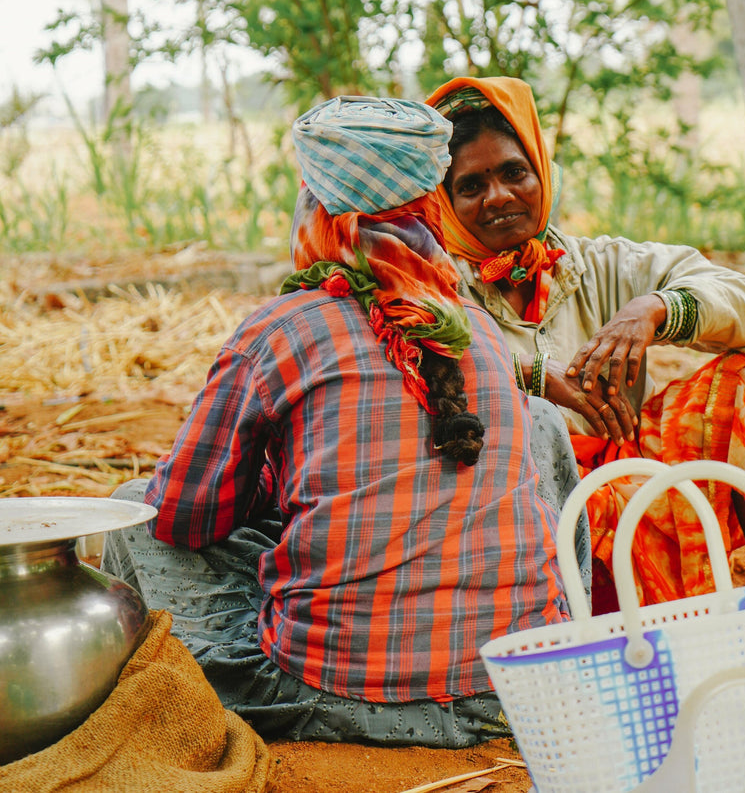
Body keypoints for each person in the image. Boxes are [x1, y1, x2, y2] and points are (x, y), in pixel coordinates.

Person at [102, 96, 570, 747]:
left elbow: (185, 517)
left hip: (336, 696)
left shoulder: (280, 330)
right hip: (507, 697)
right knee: (541, 422)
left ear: (317, 215)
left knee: (133, 510)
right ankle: (561, 641)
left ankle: (126, 717)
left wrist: (272, 483)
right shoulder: (482, 333)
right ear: (431, 215)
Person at [425, 77, 745, 613]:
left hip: (639, 466)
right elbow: (417, 363)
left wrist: (653, 310)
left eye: (515, 173)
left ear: (541, 170)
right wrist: (535, 379)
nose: (498, 197)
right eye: (471, 186)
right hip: (535, 503)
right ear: (446, 203)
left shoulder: (600, 264)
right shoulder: (436, 287)